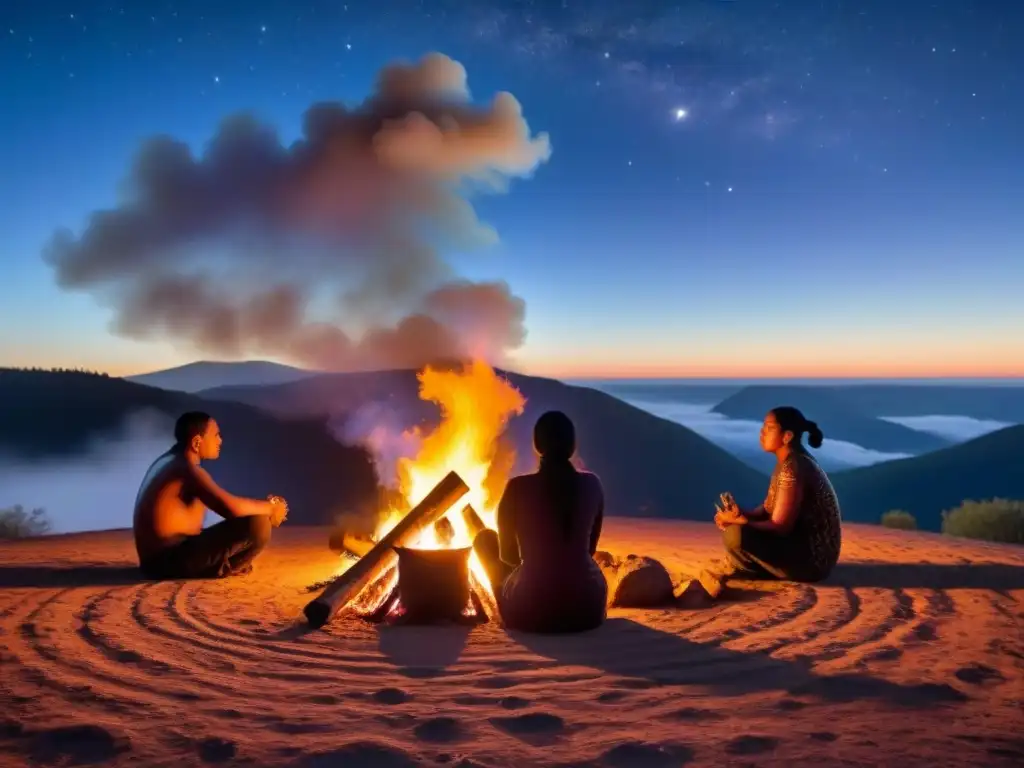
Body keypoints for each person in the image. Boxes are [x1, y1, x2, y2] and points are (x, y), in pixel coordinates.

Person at [473, 410, 608, 633]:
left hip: (530, 613)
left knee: (484, 540)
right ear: (573, 445)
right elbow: (590, 549)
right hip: (587, 611)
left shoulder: (517, 488)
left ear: (537, 445)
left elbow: (507, 556)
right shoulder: (592, 485)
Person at [133, 411, 288, 580]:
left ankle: (218, 565)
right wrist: (271, 508)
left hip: (155, 561)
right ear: (197, 442)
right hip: (166, 562)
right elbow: (230, 508)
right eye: (215, 435)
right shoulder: (187, 468)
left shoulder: (170, 461)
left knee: (255, 520)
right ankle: (223, 568)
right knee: (258, 525)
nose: (220, 440)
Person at [714, 406, 842, 583]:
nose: (762, 432)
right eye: (763, 427)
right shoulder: (790, 462)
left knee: (735, 534)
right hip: (811, 556)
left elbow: (781, 526)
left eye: (769, 428)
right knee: (735, 529)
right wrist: (739, 513)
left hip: (810, 564)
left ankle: (757, 572)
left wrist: (742, 522)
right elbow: (768, 509)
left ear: (787, 436)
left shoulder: (793, 468)